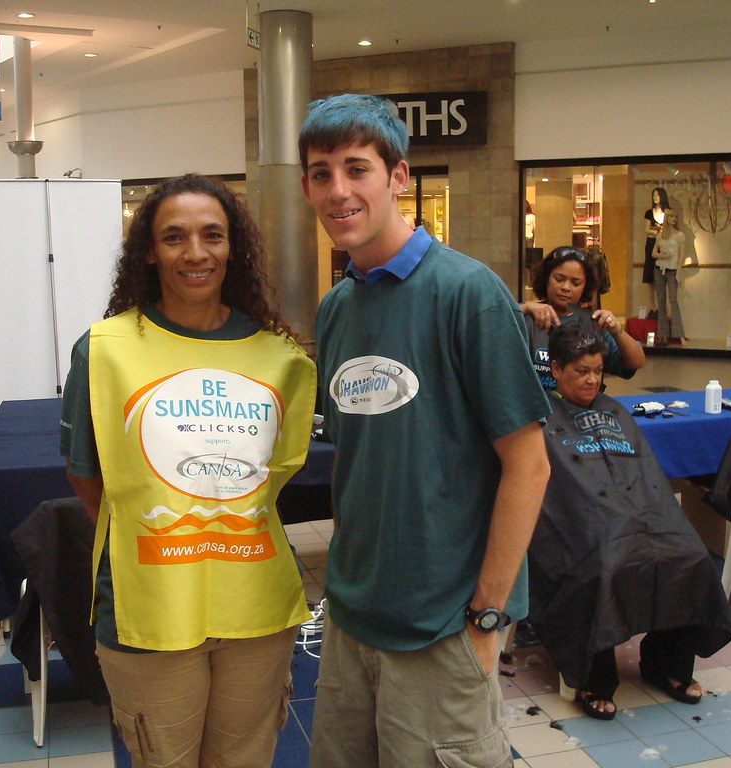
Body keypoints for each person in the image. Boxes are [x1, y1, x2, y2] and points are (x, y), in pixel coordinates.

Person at [300, 92, 552, 768]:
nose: (338, 190)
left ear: (399, 178)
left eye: (357, 169)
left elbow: (529, 465)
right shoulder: (335, 310)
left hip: (444, 626)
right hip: (354, 619)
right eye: (321, 174)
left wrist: (487, 617)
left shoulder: (468, 294)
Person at [60, 173, 317, 768]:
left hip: (256, 605)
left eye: (212, 235)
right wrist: (156, 535)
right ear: (149, 251)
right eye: (174, 237)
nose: (195, 252)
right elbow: (86, 477)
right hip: (148, 605)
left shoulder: (283, 359)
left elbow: (276, 477)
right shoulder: (102, 350)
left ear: (235, 248)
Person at [526, 321, 731, 720]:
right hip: (582, 528)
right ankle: (596, 677)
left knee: (690, 557)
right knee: (602, 566)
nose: (592, 381)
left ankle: (666, 664)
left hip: (642, 517)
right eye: (581, 372)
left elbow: (643, 475)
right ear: (555, 370)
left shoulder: (614, 410)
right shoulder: (540, 416)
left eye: (598, 371)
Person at [521, 246, 644, 389]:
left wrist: (617, 331)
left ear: (585, 287)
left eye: (576, 283)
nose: (566, 287)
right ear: (546, 279)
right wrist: (524, 307)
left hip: (580, 409)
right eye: (559, 279)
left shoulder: (592, 323)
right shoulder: (526, 317)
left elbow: (637, 362)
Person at [651, 208, 687, 345]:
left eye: (675, 217)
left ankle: (679, 334)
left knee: (673, 300)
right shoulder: (661, 235)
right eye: (671, 216)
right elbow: (654, 253)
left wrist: (679, 271)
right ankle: (662, 334)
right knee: (661, 301)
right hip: (659, 268)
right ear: (666, 218)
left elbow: (681, 255)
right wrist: (663, 255)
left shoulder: (679, 235)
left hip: (672, 270)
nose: (674, 219)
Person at [642, 186, 669, 286]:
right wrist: (656, 232)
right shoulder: (649, 213)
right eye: (653, 195)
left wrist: (662, 231)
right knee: (651, 270)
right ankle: (651, 301)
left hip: (665, 243)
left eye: (657, 195)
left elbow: (672, 229)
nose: (655, 197)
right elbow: (646, 229)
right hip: (652, 242)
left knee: (664, 270)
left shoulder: (668, 212)